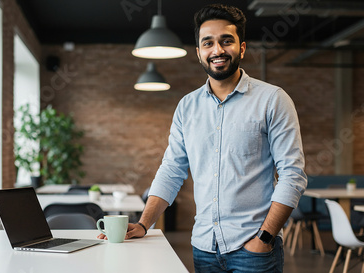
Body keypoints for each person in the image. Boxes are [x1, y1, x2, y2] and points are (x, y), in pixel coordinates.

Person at [98, 4, 307, 272]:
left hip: (254, 251)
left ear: (242, 48)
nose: (217, 50)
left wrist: (264, 238)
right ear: (199, 53)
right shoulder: (187, 107)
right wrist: (143, 224)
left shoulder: (272, 100)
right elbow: (172, 170)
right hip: (204, 248)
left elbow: (293, 174)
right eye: (208, 43)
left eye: (226, 41)